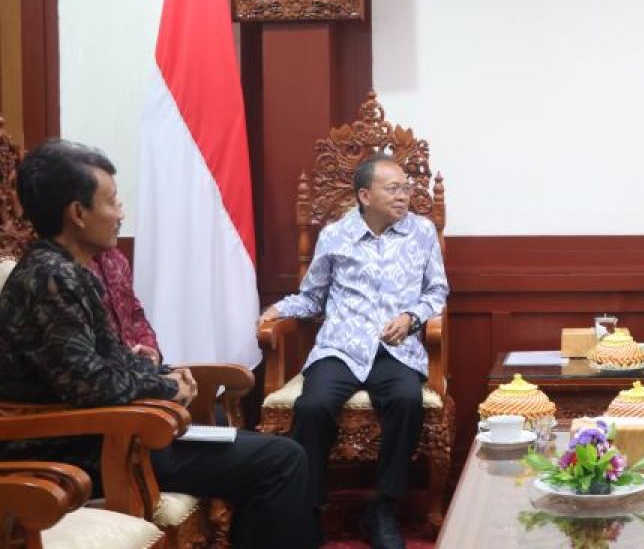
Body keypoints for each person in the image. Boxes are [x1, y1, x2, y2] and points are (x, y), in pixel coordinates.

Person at [0, 140, 318, 549]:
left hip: (109, 433)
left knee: (261, 448)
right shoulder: (51, 279)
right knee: (283, 461)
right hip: (81, 449)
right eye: (112, 201)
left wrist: (163, 375)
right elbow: (92, 384)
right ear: (77, 213)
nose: (121, 214)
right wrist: (167, 387)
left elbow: (104, 362)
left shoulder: (67, 270)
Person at [259, 152, 449, 549]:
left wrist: (412, 317)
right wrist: (279, 310)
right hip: (340, 347)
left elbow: (437, 291)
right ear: (365, 195)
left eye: (406, 188)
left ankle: (383, 508)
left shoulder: (421, 232)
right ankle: (309, 508)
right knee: (312, 406)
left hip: (395, 349)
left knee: (406, 400)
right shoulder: (334, 235)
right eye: (393, 188)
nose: (404, 195)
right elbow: (312, 296)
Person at [88, 246, 161, 364]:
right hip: (102, 368)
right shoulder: (67, 270)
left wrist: (150, 349)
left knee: (185, 374)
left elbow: (134, 313)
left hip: (135, 366)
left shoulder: (116, 258)